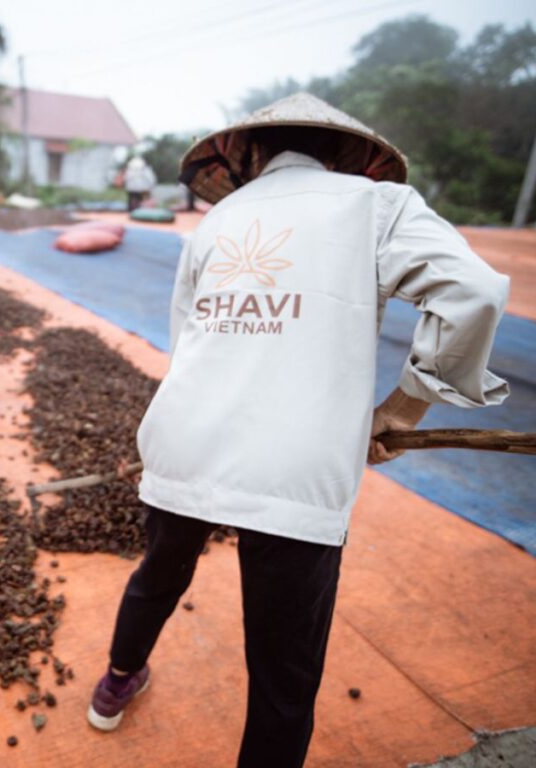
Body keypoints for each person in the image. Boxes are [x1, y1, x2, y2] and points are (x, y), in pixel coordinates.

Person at [87, 93, 510, 767]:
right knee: (284, 677)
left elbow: (188, 347)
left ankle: (113, 686)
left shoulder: (216, 223)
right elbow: (476, 293)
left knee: (158, 576)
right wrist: (405, 406)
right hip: (295, 465)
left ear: (247, 155)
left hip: (182, 440)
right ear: (347, 156)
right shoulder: (375, 206)